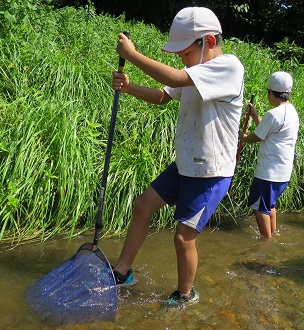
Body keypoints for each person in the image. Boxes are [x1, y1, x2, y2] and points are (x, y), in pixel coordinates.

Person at [111, 7, 244, 307]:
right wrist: (130, 87)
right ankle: (121, 272)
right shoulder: (192, 72)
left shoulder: (229, 68)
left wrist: (132, 54)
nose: (180, 60)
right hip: (186, 163)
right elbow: (162, 95)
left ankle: (184, 295)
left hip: (211, 171)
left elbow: (174, 76)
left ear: (208, 41)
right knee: (143, 205)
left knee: (183, 237)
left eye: (184, 53)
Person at [239, 71, 299, 238]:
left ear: (270, 93)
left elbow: (256, 137)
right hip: (282, 173)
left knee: (259, 208)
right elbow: (268, 131)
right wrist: (256, 116)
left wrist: (242, 138)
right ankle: (272, 233)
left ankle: (266, 245)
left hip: (268, 173)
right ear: (289, 93)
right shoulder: (291, 112)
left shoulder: (273, 114)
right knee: (269, 205)